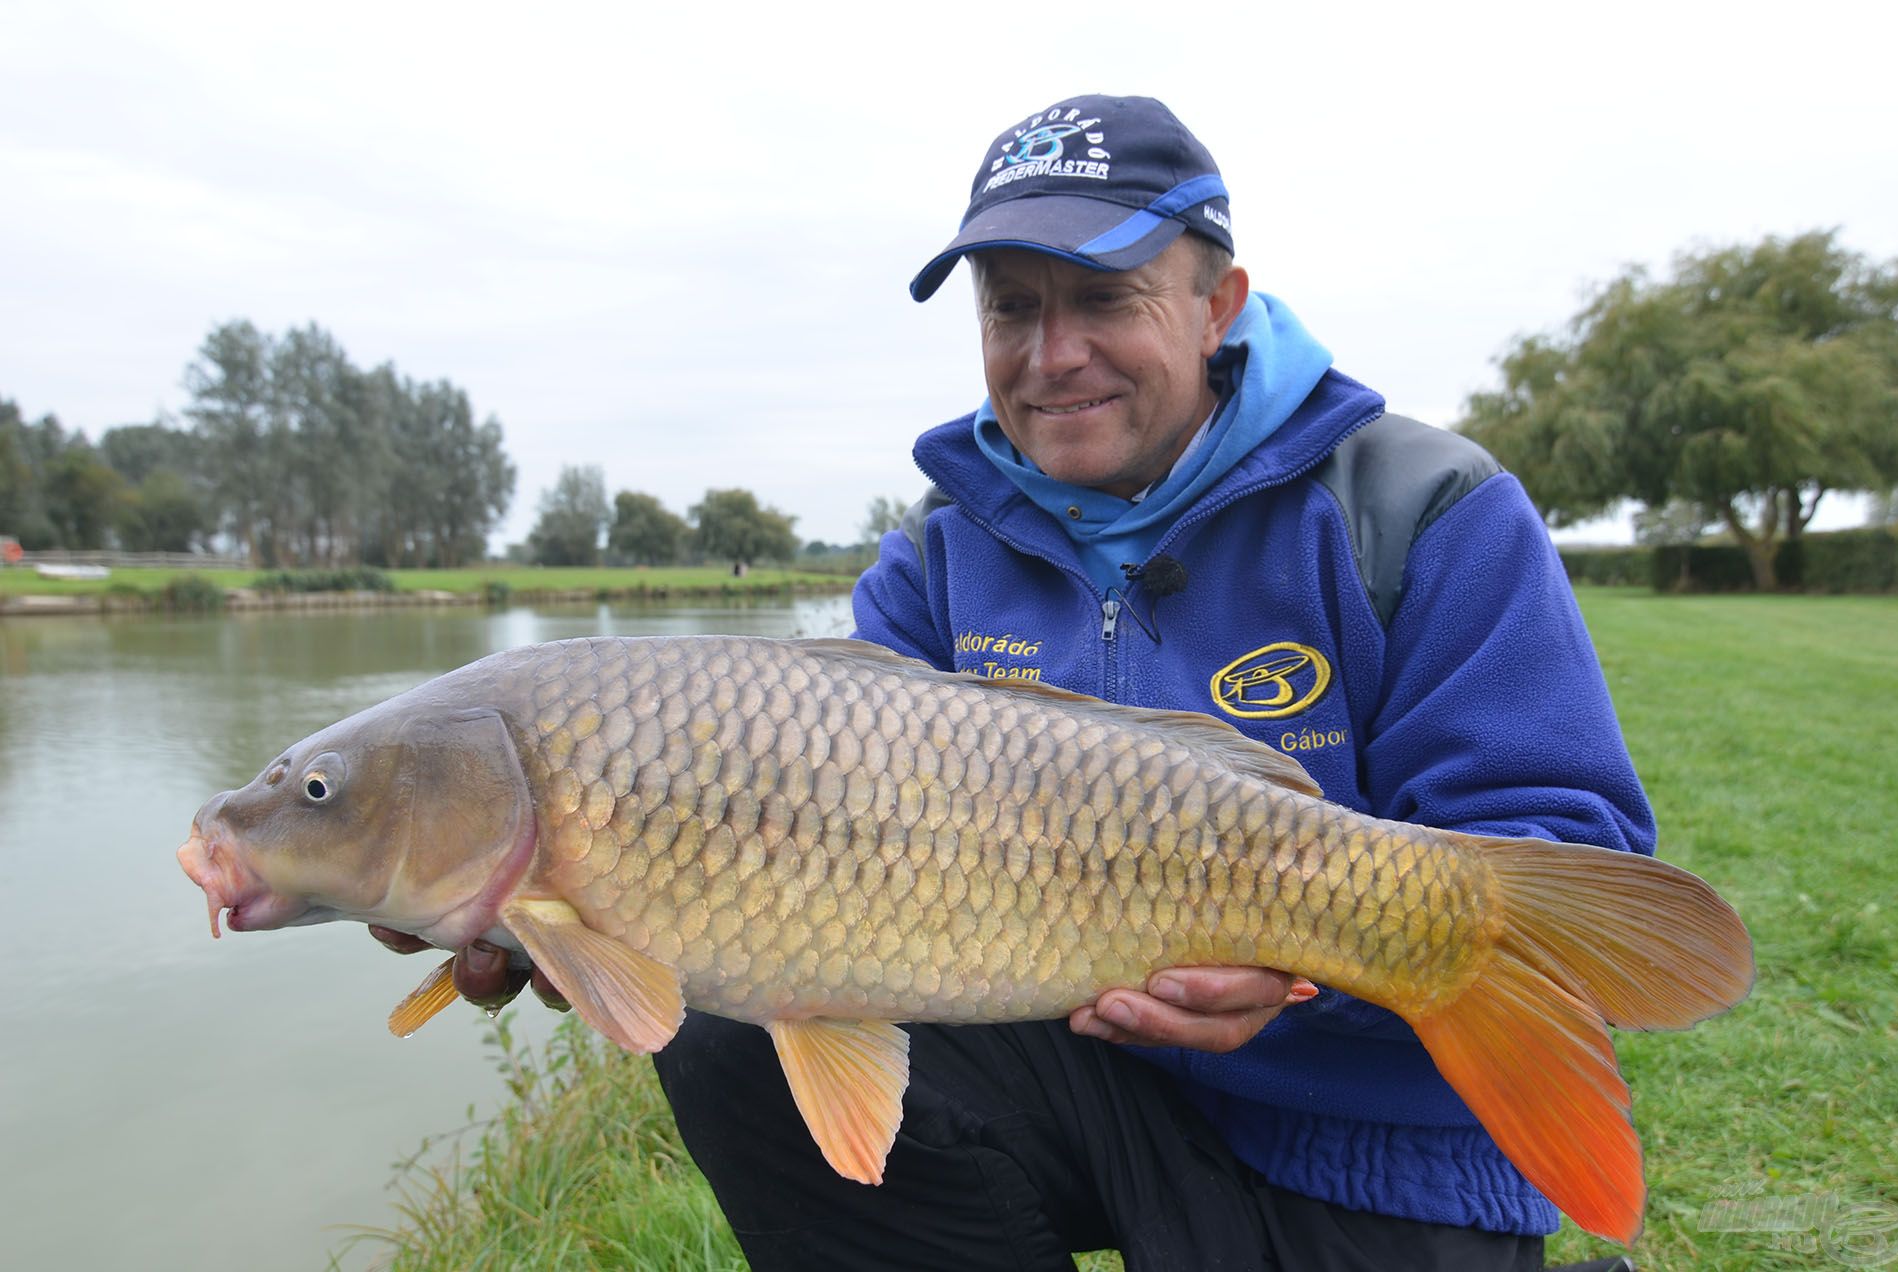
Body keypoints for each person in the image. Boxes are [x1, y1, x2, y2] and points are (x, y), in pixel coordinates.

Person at [377, 94, 1653, 1272]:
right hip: (1097, 1100)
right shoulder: (941, 557)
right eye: (1010, 308)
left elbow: (1571, 851)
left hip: (1381, 1155)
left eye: (1101, 299)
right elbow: (798, 867)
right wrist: (588, 913)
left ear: (1220, 305)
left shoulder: (1420, 509)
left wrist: (1300, 983)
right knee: (730, 1044)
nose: (1052, 354)